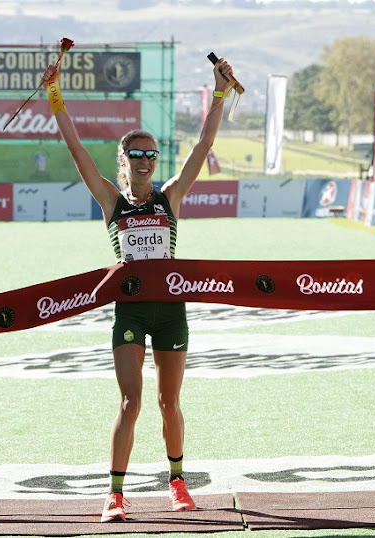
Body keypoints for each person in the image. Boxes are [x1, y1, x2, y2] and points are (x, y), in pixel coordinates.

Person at [41, 55, 236, 522]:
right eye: (137, 154)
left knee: (170, 402)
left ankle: (177, 482)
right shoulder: (110, 201)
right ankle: (114, 495)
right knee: (130, 402)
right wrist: (55, 97)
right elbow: (78, 153)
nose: (147, 160)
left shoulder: (170, 197)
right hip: (129, 312)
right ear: (124, 161)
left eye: (152, 154)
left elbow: (204, 143)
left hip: (170, 311)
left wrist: (220, 93)